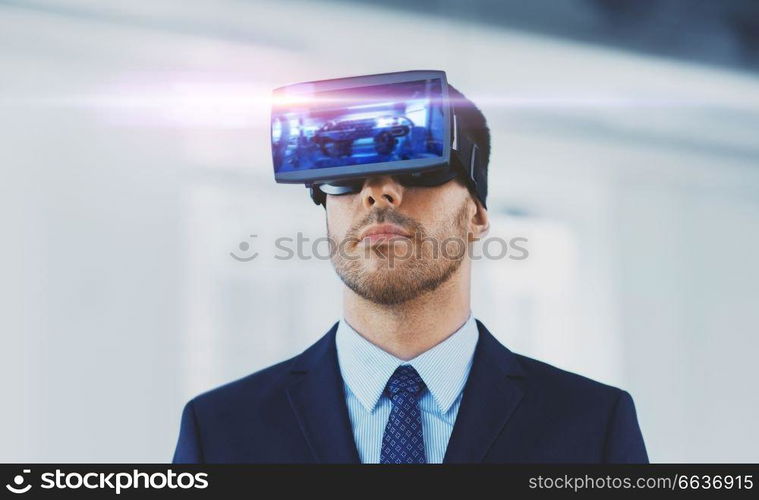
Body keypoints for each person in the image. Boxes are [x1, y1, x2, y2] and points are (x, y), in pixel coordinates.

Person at [172, 84, 648, 464]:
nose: (378, 193)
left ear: (477, 214)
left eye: (418, 168)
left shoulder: (591, 426)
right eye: (345, 174)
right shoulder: (219, 431)